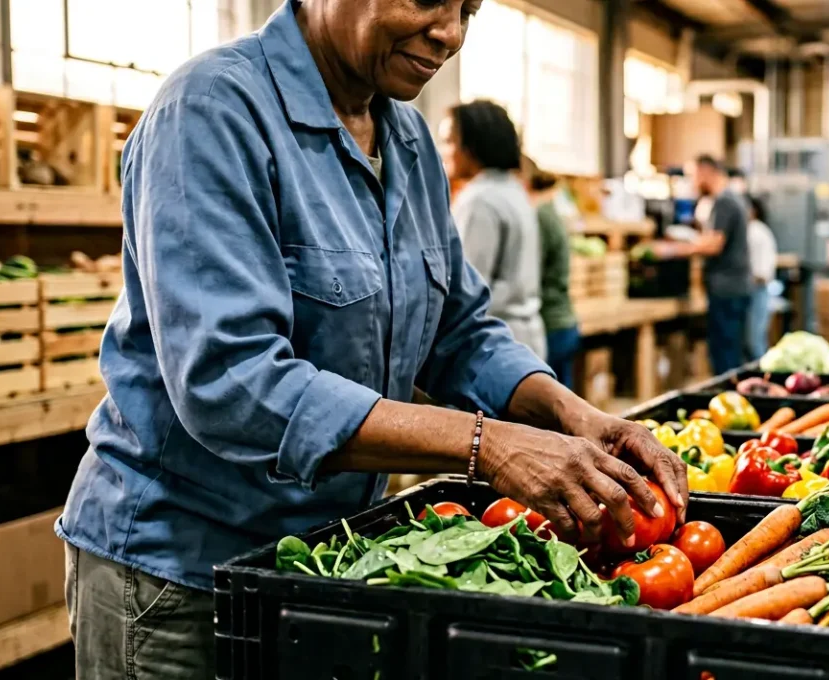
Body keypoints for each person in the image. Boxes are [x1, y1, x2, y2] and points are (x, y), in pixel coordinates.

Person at [56, 3, 688, 678]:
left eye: (468, 9)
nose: (449, 34)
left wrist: (575, 416)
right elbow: (230, 381)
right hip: (180, 577)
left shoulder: (407, 142)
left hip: (324, 564)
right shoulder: (211, 112)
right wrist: (487, 445)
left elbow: (460, 330)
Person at [440, 100, 546, 360]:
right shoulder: (513, 190)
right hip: (526, 336)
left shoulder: (479, 200)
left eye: (450, 141)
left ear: (472, 146)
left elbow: (467, 288)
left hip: (495, 343)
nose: (443, 151)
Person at [689, 155, 753, 374]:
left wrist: (675, 250)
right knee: (731, 351)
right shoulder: (734, 198)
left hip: (727, 290)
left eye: (693, 175)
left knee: (726, 355)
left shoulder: (724, 201)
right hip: (735, 288)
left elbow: (715, 244)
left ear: (706, 172)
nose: (693, 182)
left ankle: (729, 403)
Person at [523, 155, 579, 388]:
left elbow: (530, 274)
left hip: (551, 324)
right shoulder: (550, 211)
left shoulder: (541, 216)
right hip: (562, 321)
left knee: (551, 410)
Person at [745, 197, 777, 361]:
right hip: (758, 289)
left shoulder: (754, 231)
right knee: (754, 339)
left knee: (754, 341)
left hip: (757, 290)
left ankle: (761, 376)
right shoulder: (761, 230)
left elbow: (762, 272)